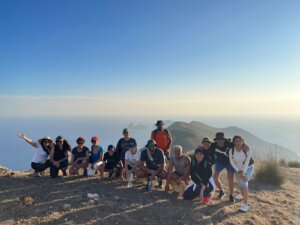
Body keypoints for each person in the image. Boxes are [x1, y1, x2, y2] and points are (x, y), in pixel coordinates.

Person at [211, 132, 250, 203]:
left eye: (221, 139)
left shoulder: (229, 144)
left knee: (230, 179)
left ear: (224, 139)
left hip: (229, 163)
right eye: (218, 139)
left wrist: (245, 146)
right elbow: (206, 149)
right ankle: (221, 191)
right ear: (216, 140)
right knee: (215, 177)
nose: (220, 141)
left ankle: (231, 195)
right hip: (219, 162)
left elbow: (239, 144)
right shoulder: (213, 145)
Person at [229, 136, 254, 212]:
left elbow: (246, 162)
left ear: (242, 141)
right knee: (239, 183)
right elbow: (232, 161)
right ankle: (242, 195)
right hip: (238, 169)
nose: (238, 142)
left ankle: (246, 204)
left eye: (240, 141)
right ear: (234, 142)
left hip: (248, 168)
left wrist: (244, 172)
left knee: (243, 183)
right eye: (236, 141)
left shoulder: (247, 149)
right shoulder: (231, 150)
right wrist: (239, 171)